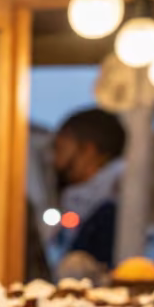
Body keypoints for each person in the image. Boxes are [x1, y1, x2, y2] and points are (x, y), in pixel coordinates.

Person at [51, 108, 127, 268]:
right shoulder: (84, 205)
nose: (55, 161)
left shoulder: (111, 211)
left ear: (88, 151)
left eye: (60, 149)